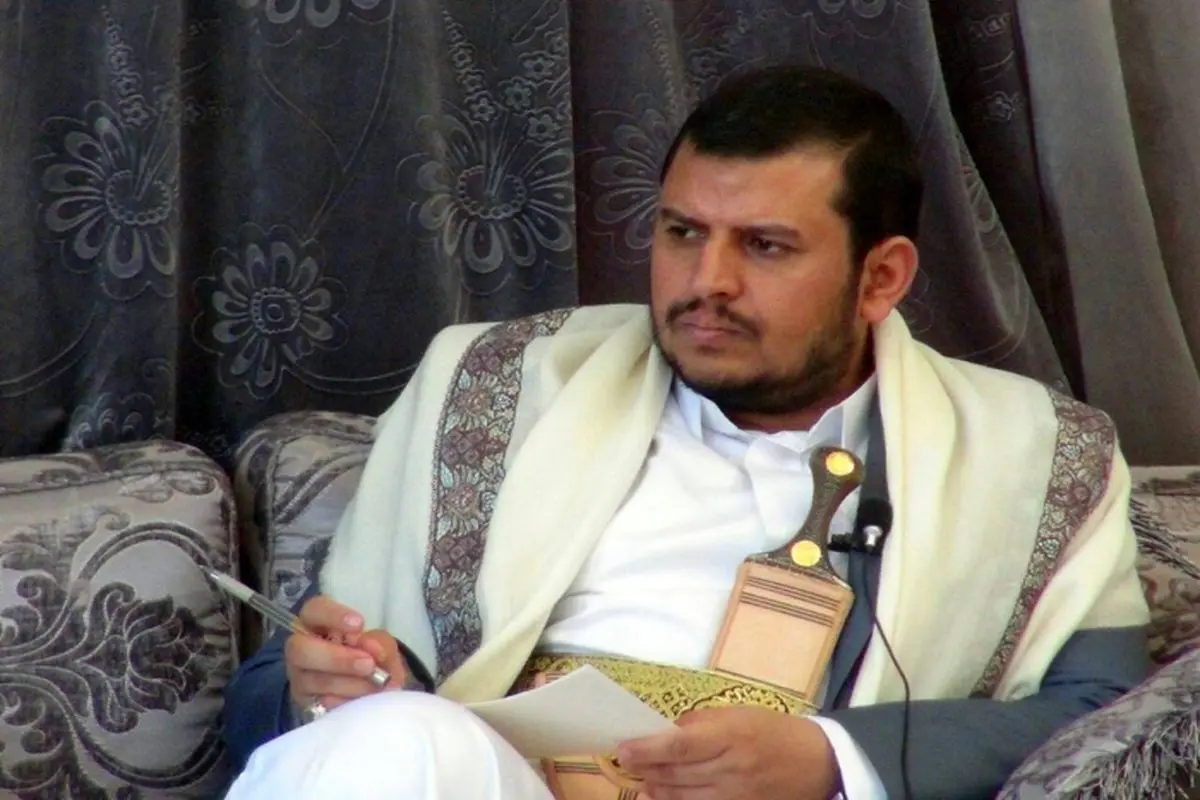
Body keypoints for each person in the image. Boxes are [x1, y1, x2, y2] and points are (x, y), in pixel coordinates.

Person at [222, 64, 1151, 799]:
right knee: (393, 736)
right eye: (682, 233)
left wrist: (830, 757)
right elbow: (272, 707)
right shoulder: (497, 385)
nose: (707, 283)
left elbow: (1108, 715)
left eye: (765, 246)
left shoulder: (1035, 451)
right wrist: (320, 688)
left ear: (882, 278)